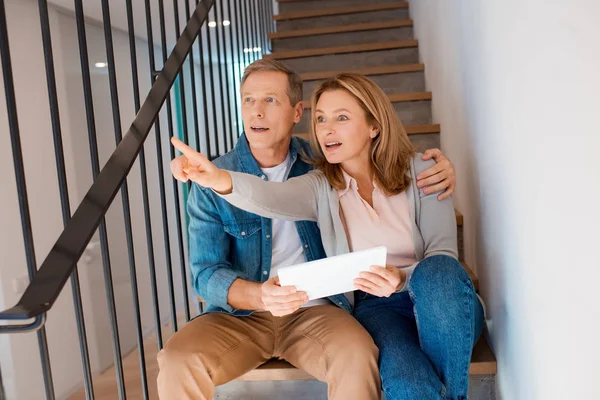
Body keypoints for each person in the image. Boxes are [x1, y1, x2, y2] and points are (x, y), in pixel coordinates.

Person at [170, 72, 483, 400]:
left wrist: (402, 278)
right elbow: (268, 196)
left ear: (374, 125)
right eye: (320, 120)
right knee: (408, 386)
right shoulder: (320, 184)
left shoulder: (423, 171)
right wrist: (219, 179)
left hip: (441, 301)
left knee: (437, 273)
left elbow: (443, 258)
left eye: (341, 118)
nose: (327, 129)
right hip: (379, 309)